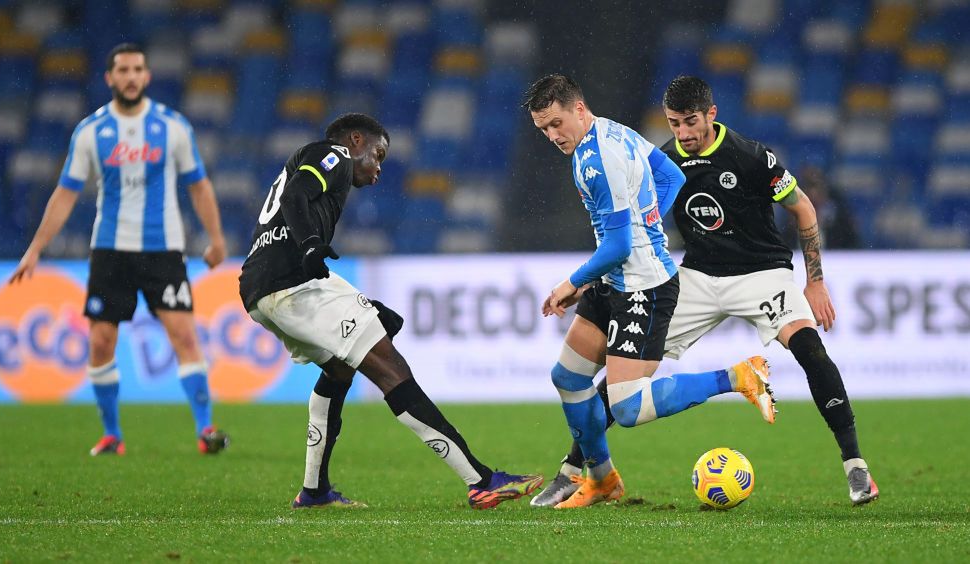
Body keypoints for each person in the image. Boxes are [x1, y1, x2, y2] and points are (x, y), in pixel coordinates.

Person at [532, 75, 877, 507]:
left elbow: (803, 207)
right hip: (697, 276)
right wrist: (649, 234)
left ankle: (855, 465)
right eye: (674, 124)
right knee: (623, 376)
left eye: (690, 122)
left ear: (711, 115)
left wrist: (816, 280)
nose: (683, 134)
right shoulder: (666, 154)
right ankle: (574, 468)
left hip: (761, 273)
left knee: (809, 349)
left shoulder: (752, 157)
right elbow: (667, 186)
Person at [238, 112, 543, 509]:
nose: (379, 167)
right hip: (291, 282)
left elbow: (293, 199)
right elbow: (297, 196)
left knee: (340, 367)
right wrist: (312, 244)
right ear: (355, 141)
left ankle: (315, 491)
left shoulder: (321, 164)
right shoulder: (334, 154)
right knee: (391, 369)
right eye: (378, 154)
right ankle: (480, 480)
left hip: (262, 286)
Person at [522, 74, 775, 510]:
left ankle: (738, 376)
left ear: (578, 109)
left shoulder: (596, 159)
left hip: (644, 287)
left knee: (628, 408)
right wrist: (649, 225)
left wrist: (573, 281)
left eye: (556, 123)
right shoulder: (612, 130)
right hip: (617, 278)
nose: (552, 136)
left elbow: (620, 245)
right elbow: (672, 176)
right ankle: (602, 480)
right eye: (543, 129)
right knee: (567, 376)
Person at [9, 43, 229, 456]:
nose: (131, 76)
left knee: (184, 334)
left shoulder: (173, 127)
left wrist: (216, 239)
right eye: (123, 70)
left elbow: (199, 186)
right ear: (109, 78)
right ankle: (112, 435)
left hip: (163, 250)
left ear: (147, 76)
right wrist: (36, 248)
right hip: (110, 251)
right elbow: (65, 193)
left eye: (138, 69)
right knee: (100, 342)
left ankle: (206, 430)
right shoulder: (90, 132)